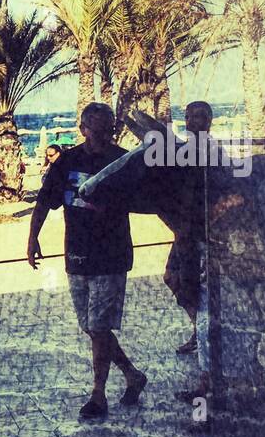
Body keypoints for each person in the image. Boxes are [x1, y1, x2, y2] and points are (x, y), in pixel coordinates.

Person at [27, 102, 148, 419]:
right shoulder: (68, 161)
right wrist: (32, 238)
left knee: (98, 325)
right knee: (93, 329)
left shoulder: (123, 161)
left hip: (111, 255)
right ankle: (132, 374)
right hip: (77, 254)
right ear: (82, 129)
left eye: (109, 128)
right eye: (97, 128)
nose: (104, 134)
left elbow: (141, 199)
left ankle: (98, 395)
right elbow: (44, 201)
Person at [159, 102, 212, 356]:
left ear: (209, 120)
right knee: (171, 277)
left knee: (196, 287)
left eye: (200, 117)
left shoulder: (211, 151)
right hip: (184, 232)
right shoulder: (183, 152)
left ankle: (204, 334)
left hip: (201, 234)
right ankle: (198, 330)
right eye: (190, 118)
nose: (194, 122)